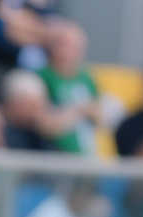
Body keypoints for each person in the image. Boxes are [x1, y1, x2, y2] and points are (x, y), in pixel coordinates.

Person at [36, 18, 100, 155]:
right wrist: (80, 111)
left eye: (75, 47)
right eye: (64, 45)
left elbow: (98, 118)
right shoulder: (41, 77)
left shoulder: (86, 79)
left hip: (85, 154)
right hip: (54, 155)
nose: (69, 51)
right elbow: (44, 124)